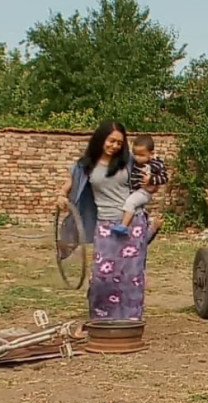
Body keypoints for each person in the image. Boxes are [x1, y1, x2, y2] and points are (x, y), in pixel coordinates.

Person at [56, 121, 150, 321]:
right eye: (111, 141)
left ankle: (129, 321)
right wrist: (62, 196)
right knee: (102, 276)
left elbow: (155, 173)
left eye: (119, 142)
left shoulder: (130, 161)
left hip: (132, 224)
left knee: (130, 276)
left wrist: (150, 181)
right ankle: (101, 319)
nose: (115, 146)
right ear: (101, 139)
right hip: (106, 225)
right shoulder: (85, 165)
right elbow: (69, 184)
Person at [111, 135, 168, 236]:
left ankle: (124, 226)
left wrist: (150, 179)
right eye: (135, 155)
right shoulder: (135, 162)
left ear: (151, 154)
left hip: (144, 192)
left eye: (141, 155)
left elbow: (164, 178)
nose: (137, 158)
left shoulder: (155, 164)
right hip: (136, 190)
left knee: (130, 203)